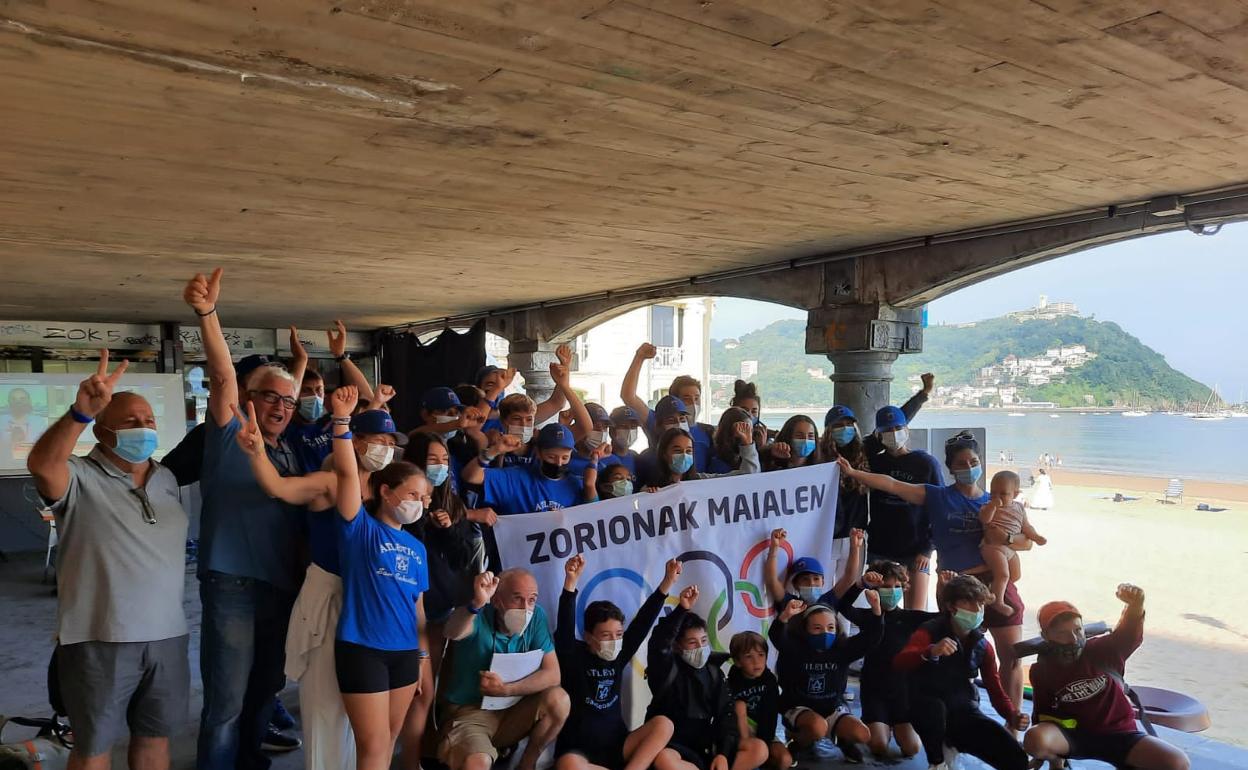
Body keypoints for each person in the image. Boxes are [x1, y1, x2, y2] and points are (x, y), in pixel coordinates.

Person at [27, 352, 189, 770]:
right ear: (101, 430)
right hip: (99, 638)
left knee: (155, 740)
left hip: (168, 636)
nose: (144, 427)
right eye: (131, 421)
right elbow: (42, 465)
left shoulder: (166, 479)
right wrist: (79, 413)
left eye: (149, 420)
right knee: (93, 747)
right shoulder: (78, 476)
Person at [236, 405, 408, 770]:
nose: (386, 449)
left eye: (391, 442)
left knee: (367, 714)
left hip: (372, 604)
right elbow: (278, 487)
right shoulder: (330, 482)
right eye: (379, 440)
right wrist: (257, 453)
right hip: (330, 598)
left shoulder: (385, 490)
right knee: (327, 706)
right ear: (355, 441)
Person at [185, 267, 304, 766]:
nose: (281, 406)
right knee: (226, 704)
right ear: (246, 399)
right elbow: (223, 377)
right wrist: (208, 314)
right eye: (269, 396)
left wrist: (298, 367)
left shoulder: (288, 449)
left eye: (289, 401)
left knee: (264, 692)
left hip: (282, 587)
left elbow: (286, 396)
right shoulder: (230, 435)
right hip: (232, 584)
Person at [837, 431, 1027, 718]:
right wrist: (853, 473)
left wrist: (1010, 540)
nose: (968, 467)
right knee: (952, 656)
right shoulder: (938, 496)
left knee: (1011, 657)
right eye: (961, 463)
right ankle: (953, 718)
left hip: (992, 582)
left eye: (973, 461)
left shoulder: (995, 501)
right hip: (954, 585)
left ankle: (1013, 723)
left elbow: (1024, 539)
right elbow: (892, 484)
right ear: (949, 468)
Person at [1024, 586, 1189, 770]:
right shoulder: (1042, 670)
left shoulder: (1103, 650)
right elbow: (1042, 712)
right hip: (1074, 736)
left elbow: (1128, 634)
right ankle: (1056, 761)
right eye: (1062, 634)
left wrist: (1135, 606)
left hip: (1120, 733)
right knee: (1034, 739)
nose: (1073, 639)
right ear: (1046, 636)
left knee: (1177, 762)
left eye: (1078, 630)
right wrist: (1039, 754)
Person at [398, 431, 480, 770]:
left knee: (433, 691)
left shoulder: (451, 501)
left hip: (442, 611)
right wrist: (422, 520)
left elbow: (462, 557)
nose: (440, 467)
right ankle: (409, 759)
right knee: (418, 690)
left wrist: (447, 529)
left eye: (445, 460)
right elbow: (404, 550)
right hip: (408, 611)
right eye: (432, 460)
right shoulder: (403, 502)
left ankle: (426, 753)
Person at [555, 554, 681, 770]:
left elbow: (642, 623)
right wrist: (570, 583)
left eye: (618, 635)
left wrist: (667, 582)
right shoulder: (573, 656)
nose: (614, 641)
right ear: (588, 637)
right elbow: (564, 628)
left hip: (618, 746)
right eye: (606, 635)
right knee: (569, 765)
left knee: (664, 724)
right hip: (581, 753)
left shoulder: (619, 655)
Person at [437, 569, 569, 770]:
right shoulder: (477, 615)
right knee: (477, 763)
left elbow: (553, 675)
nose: (525, 608)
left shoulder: (537, 617)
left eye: (531, 600)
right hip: (470, 714)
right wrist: (476, 604)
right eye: (517, 599)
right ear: (497, 600)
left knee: (559, 700)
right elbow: (452, 631)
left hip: (512, 711)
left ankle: (527, 765)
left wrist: (506, 690)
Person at [894, 575, 1029, 770]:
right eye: (969, 602)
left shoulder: (983, 646)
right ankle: (937, 762)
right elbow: (900, 662)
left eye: (981, 604)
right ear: (951, 606)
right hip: (925, 704)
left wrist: (1013, 715)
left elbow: (995, 689)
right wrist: (930, 651)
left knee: (1016, 757)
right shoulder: (929, 631)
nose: (977, 609)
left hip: (963, 709)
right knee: (933, 710)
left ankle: (952, 743)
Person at [645, 585, 768, 770]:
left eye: (703, 641)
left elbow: (726, 715)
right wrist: (682, 609)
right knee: (665, 759)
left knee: (759, 749)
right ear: (677, 646)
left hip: (706, 748)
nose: (700, 648)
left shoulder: (714, 673)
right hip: (674, 747)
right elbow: (658, 642)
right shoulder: (666, 669)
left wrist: (723, 754)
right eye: (692, 643)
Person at [769, 595, 882, 763]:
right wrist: (785, 616)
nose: (825, 633)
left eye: (830, 628)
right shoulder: (795, 648)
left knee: (862, 734)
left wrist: (877, 610)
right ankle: (797, 742)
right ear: (805, 629)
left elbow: (871, 638)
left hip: (831, 706)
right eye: (817, 628)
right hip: (798, 706)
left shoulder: (842, 649)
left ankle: (842, 739)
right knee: (817, 727)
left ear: (837, 629)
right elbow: (777, 636)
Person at [836, 560, 931, 759]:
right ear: (876, 589)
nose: (892, 591)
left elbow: (944, 618)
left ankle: (895, 725)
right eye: (887, 587)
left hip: (902, 690)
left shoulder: (910, 617)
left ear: (904, 587)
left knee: (912, 748)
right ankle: (878, 725)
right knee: (878, 746)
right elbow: (843, 606)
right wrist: (861, 584)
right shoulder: (868, 616)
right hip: (874, 689)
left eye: (897, 586)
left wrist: (945, 589)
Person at [864, 404, 943, 610]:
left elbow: (940, 507)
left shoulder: (926, 463)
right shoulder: (873, 463)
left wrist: (927, 548)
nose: (893, 434)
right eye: (887, 430)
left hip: (915, 548)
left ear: (906, 430)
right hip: (880, 548)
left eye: (898, 428)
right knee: (879, 610)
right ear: (878, 435)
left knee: (915, 613)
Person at [621, 343, 715, 472]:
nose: (693, 404)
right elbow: (628, 396)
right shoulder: (657, 421)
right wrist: (639, 357)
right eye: (687, 399)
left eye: (696, 398)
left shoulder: (708, 431)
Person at [979, 471, 1046, 616]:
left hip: (1009, 548)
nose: (997, 497)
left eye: (1003, 494)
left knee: (1015, 575)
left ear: (1015, 494)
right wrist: (992, 506)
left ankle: (993, 589)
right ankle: (998, 602)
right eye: (993, 493)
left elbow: (1026, 527)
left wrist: (1036, 537)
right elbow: (984, 519)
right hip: (992, 547)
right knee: (1003, 574)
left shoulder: (1019, 508)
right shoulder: (988, 506)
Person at [818, 405, 871, 586]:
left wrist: (923, 394)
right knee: (822, 586)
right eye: (839, 425)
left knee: (851, 589)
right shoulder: (819, 455)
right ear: (829, 429)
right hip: (827, 536)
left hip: (855, 535)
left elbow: (895, 420)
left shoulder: (864, 451)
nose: (845, 429)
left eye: (849, 424)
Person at [726, 632, 785, 770]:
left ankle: (756, 759)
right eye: (749, 656)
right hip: (740, 732)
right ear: (738, 661)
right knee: (739, 705)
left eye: (761, 655)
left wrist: (764, 743)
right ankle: (748, 751)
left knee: (784, 760)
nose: (756, 661)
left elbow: (770, 715)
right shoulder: (732, 681)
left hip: (764, 729)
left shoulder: (770, 681)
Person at [643, 422, 759, 489]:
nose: (684, 456)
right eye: (677, 451)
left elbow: (747, 478)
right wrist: (647, 496)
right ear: (664, 454)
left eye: (689, 451)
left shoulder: (701, 481)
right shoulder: (652, 487)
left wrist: (747, 444)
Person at [707, 407, 754, 474]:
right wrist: (747, 445)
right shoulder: (719, 465)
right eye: (744, 431)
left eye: (750, 431)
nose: (749, 436)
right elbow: (750, 474)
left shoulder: (741, 457)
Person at [605, 405, 642, 477]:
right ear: (612, 430)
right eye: (623, 426)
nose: (629, 431)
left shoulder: (636, 458)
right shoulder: (603, 458)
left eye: (633, 427)